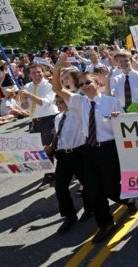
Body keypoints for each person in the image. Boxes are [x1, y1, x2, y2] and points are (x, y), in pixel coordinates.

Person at [52, 53, 138, 243]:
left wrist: (120, 117)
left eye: (88, 83)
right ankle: (106, 225)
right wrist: (58, 67)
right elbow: (57, 88)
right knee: (94, 191)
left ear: (98, 83)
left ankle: (128, 200)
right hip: (89, 151)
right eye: (81, 84)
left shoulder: (111, 101)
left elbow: (126, 125)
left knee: (111, 187)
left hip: (109, 150)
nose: (84, 87)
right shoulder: (78, 102)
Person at [50, 94, 93, 234]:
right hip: (63, 155)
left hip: (78, 153)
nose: (57, 105)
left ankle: (89, 209)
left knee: (86, 182)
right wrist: (51, 146)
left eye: (60, 102)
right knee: (60, 187)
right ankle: (69, 215)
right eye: (56, 102)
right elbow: (59, 136)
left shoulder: (77, 114)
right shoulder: (58, 117)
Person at [20, 63, 59, 191]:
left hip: (49, 119)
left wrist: (29, 95)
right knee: (41, 150)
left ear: (43, 72)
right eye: (33, 73)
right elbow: (25, 107)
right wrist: (23, 98)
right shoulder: (27, 86)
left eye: (38, 72)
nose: (36, 75)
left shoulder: (49, 85)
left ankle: (50, 176)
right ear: (29, 74)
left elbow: (44, 103)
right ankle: (51, 174)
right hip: (35, 121)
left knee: (49, 149)